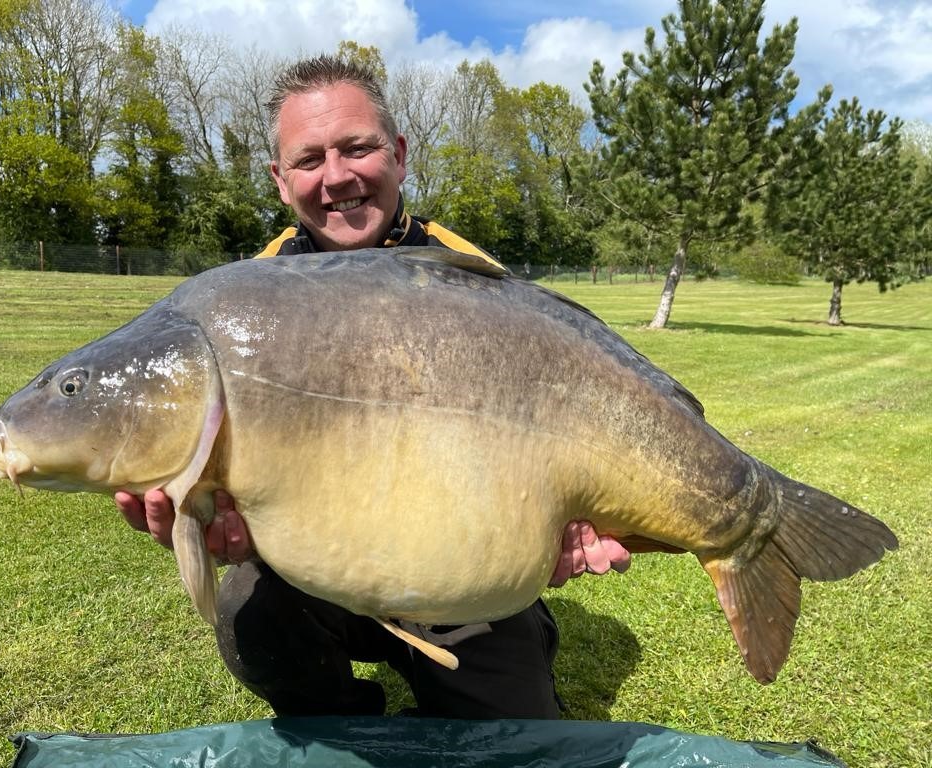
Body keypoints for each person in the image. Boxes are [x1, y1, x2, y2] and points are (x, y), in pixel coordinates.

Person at [116, 55, 631, 719]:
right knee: (251, 614)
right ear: (280, 180)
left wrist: (561, 523)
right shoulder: (252, 298)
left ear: (400, 155)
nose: (337, 177)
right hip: (325, 571)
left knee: (514, 736)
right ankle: (348, 722)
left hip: (460, 574)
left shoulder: (475, 282)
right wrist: (216, 519)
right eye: (309, 160)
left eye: (358, 148)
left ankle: (500, 647)